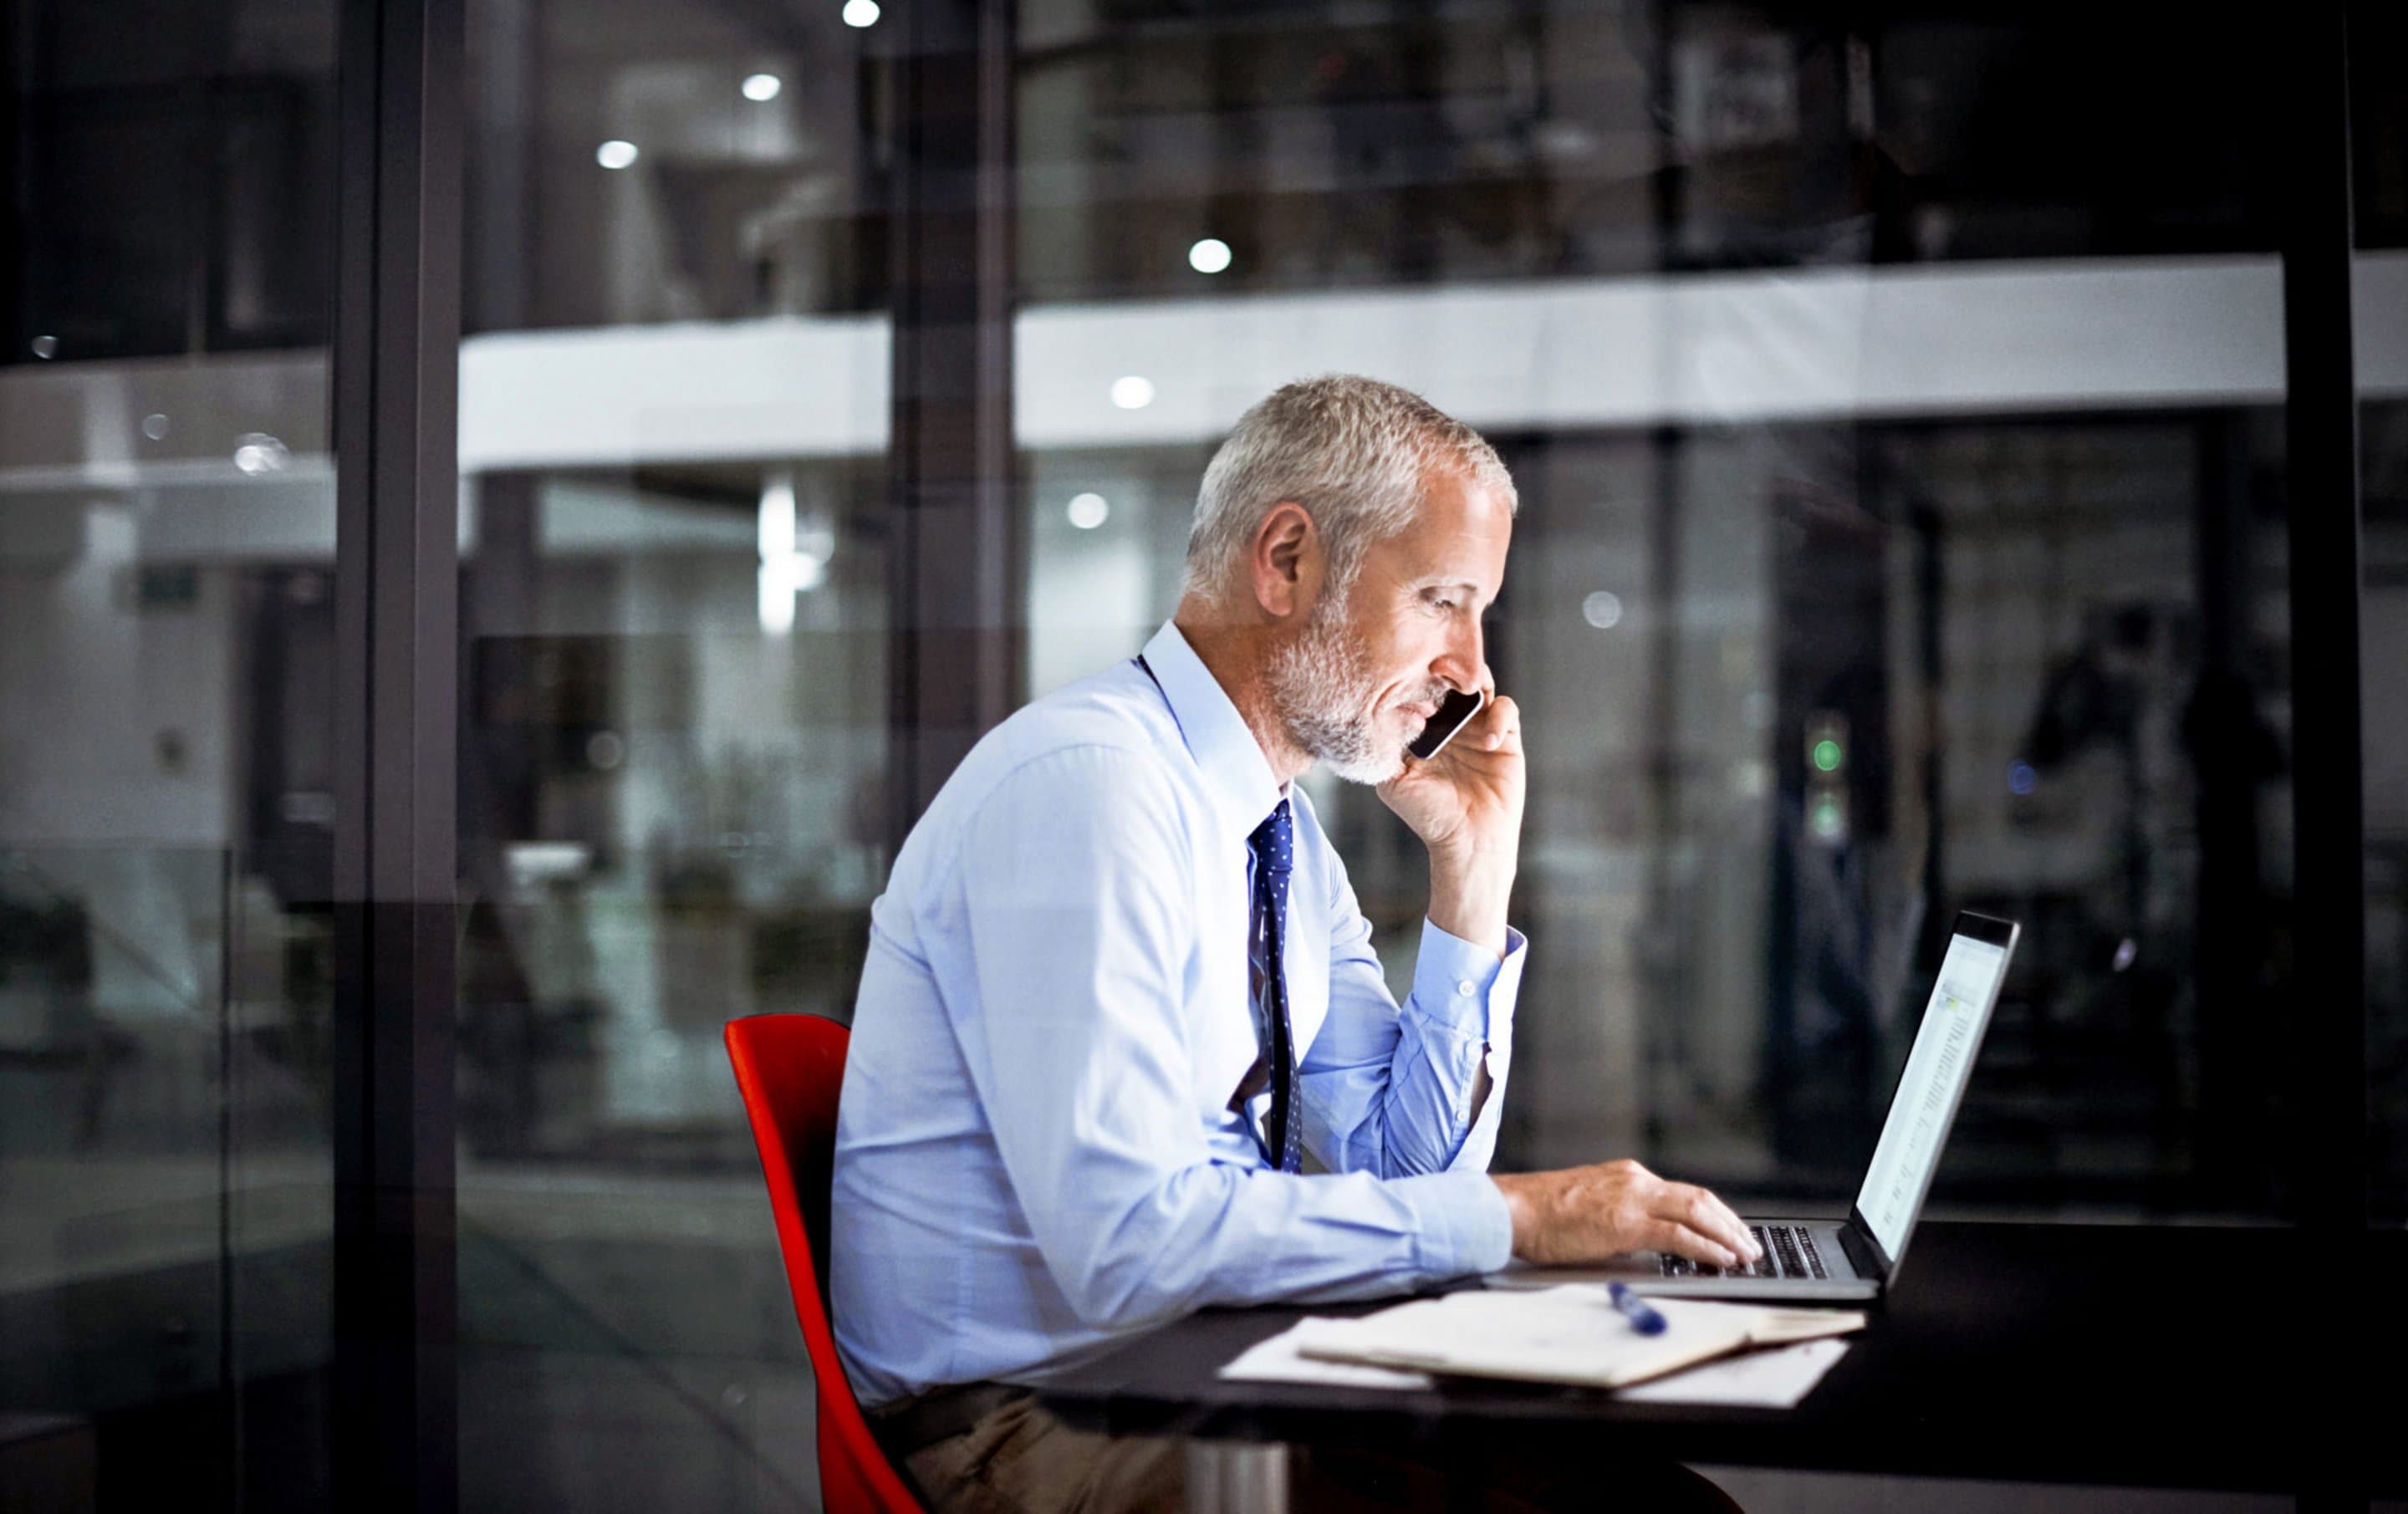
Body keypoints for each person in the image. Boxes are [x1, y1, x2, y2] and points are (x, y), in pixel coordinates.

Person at [829, 375, 1761, 1512]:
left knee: (1656, 1501)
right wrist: (1526, 1215)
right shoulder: (1090, 791)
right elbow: (1127, 1244)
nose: (1473, 668)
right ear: (1286, 563)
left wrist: (1473, 873)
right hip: (1024, 1428)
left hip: (1188, 1374)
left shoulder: (1278, 834)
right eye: (1440, 599)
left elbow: (1406, 1180)